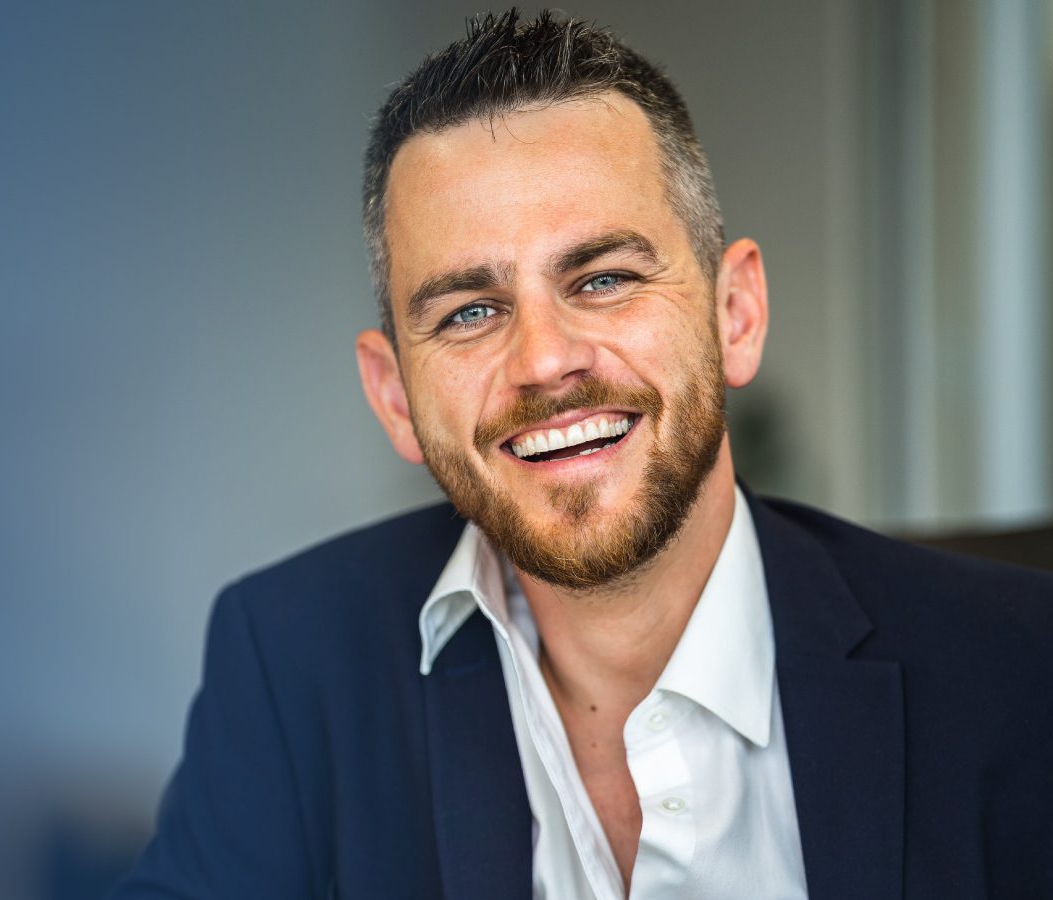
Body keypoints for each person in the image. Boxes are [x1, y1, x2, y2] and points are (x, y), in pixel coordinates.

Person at [109, 10, 1053, 900]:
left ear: (736, 315)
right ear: (395, 396)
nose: (545, 359)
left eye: (603, 278)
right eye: (470, 311)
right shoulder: (290, 665)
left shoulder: (1020, 669)